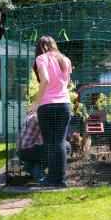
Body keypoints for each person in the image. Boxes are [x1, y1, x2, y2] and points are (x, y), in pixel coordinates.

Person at [27, 36, 72, 187]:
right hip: (64, 104)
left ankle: (53, 178)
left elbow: (45, 80)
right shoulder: (65, 60)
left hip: (47, 106)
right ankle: (61, 180)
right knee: (59, 142)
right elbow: (67, 82)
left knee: (50, 143)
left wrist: (37, 102)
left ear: (40, 47)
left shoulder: (41, 58)